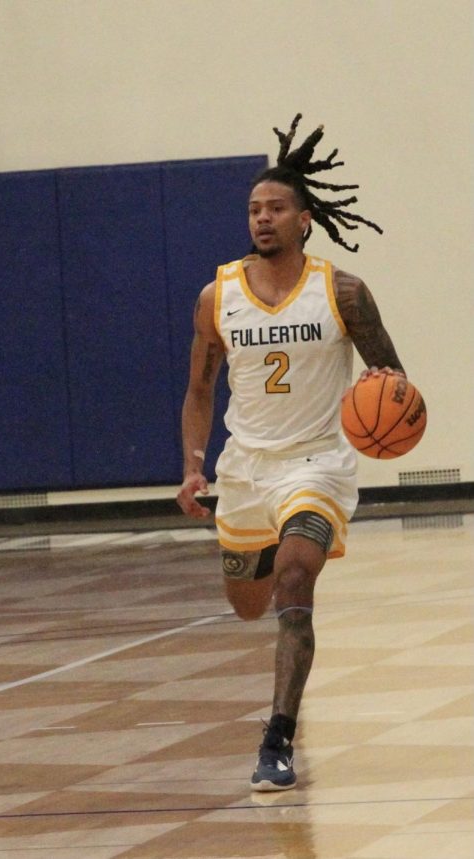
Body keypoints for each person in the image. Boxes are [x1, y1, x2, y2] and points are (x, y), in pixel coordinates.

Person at [176, 115, 404, 792]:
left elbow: (392, 377)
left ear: (305, 219)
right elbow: (198, 388)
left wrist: (386, 412)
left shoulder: (344, 292)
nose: (262, 218)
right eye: (253, 209)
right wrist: (193, 463)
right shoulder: (218, 298)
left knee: (296, 582)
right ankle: (269, 544)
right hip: (246, 469)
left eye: (275, 208)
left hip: (318, 463)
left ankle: (277, 738)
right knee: (249, 603)